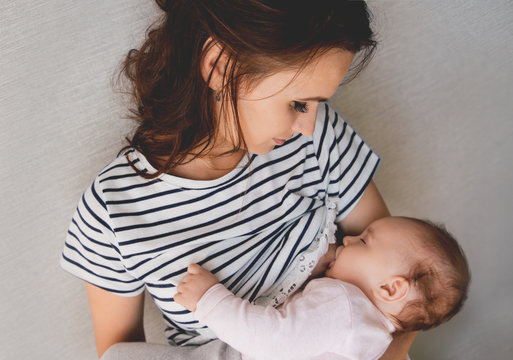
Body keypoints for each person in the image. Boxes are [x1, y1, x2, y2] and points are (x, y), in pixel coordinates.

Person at [60, 0, 415, 358]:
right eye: (299, 104)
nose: (308, 128)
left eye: (318, 104)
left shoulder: (320, 137)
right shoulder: (112, 210)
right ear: (220, 66)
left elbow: (408, 289)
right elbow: (120, 354)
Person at [175, 216, 471, 360]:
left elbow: (272, 340)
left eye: (364, 241)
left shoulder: (343, 304)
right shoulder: (375, 337)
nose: (349, 239)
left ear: (391, 290)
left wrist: (208, 299)